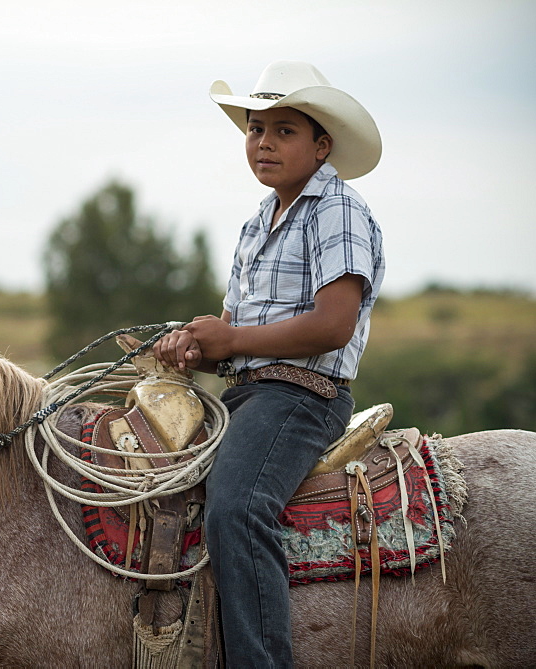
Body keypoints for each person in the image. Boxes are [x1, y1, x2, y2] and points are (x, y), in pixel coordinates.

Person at [153, 61, 385, 666]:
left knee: (238, 506)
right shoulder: (259, 222)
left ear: (322, 145)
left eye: (285, 130)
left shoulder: (337, 208)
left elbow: (334, 323)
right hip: (247, 395)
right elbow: (238, 329)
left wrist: (231, 343)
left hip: (303, 397)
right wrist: (195, 343)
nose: (264, 143)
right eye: (256, 129)